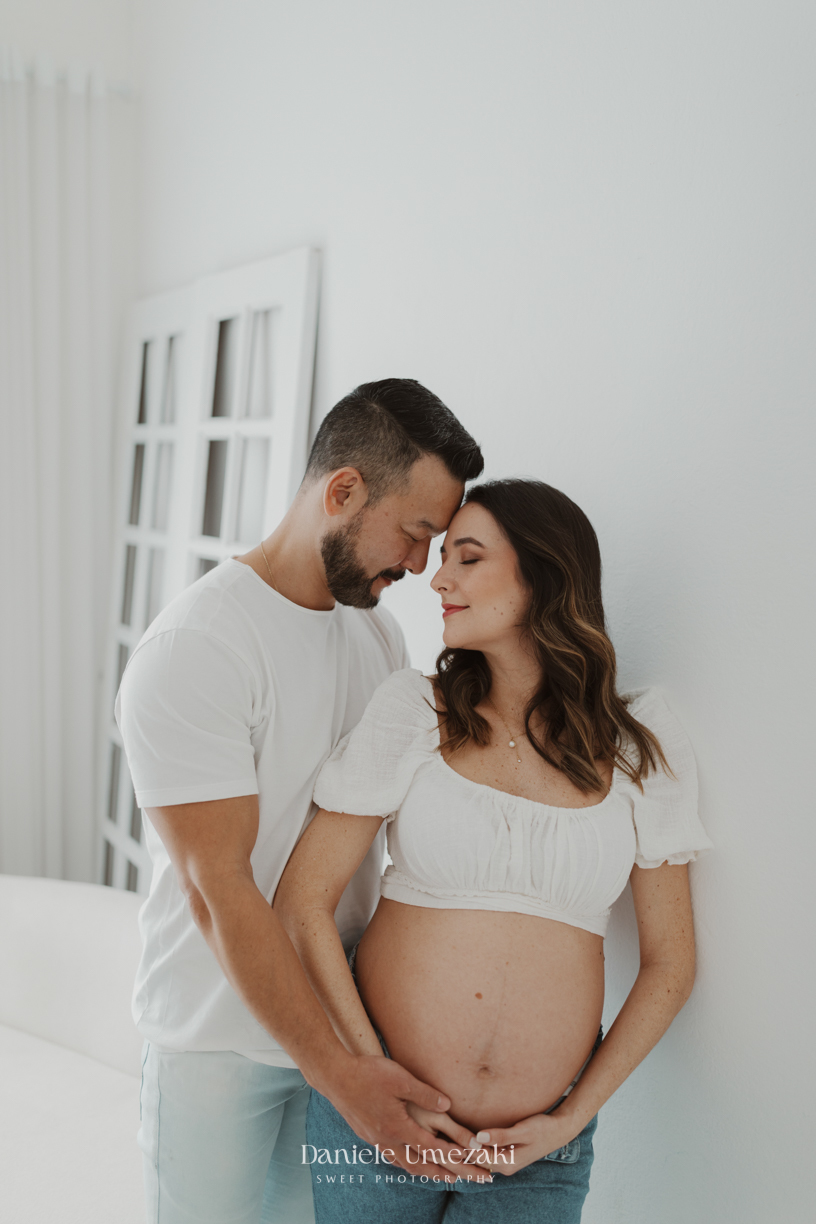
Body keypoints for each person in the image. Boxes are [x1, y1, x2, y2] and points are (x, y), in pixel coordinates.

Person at [273, 478, 714, 1223]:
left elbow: (672, 962)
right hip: (381, 1122)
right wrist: (368, 1073)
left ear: (543, 575)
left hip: (537, 1148)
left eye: (467, 558)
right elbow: (303, 902)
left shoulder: (642, 743)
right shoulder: (415, 710)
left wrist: (571, 1120)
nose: (438, 578)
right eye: (443, 556)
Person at [115, 378, 485, 1224]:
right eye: (416, 532)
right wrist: (341, 1074)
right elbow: (221, 889)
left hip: (336, 1029)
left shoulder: (376, 634)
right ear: (344, 490)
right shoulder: (198, 647)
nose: (422, 565)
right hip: (215, 1044)